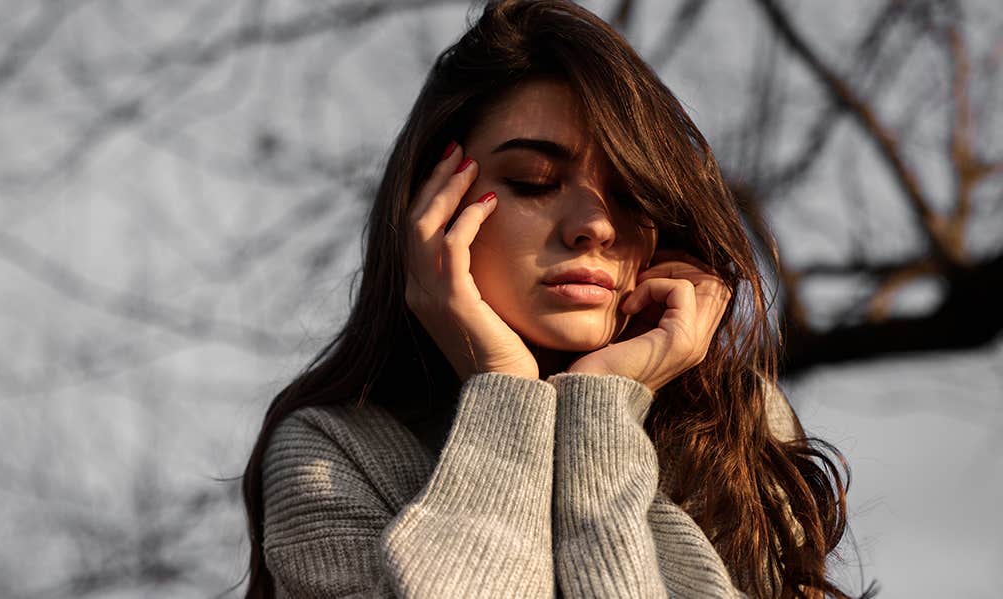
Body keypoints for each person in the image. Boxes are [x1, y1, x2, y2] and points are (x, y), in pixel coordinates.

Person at [240, 1, 872, 597]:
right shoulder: (330, 455)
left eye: (631, 196)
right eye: (534, 182)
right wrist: (506, 393)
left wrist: (599, 405)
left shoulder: (734, 429)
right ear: (432, 207)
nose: (595, 225)